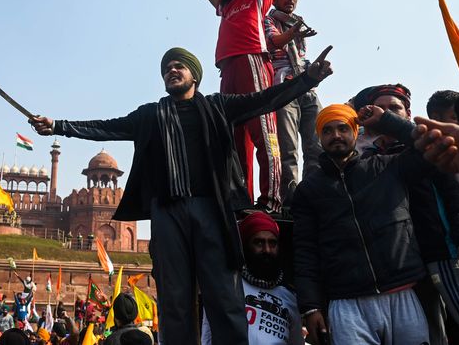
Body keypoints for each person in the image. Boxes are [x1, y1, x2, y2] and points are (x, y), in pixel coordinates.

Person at [29, 46, 333, 344]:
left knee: (223, 294)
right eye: (166, 69)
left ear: (194, 76)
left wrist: (307, 80)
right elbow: (106, 128)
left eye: (179, 66)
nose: (171, 71)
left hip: (211, 209)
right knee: (174, 298)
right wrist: (58, 126)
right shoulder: (150, 115)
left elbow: (265, 100)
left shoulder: (218, 106)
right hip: (168, 211)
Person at [292, 104, 433, 345]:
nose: (336, 135)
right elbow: (305, 250)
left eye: (342, 128)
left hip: (403, 292)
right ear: (319, 138)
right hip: (347, 303)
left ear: (355, 132)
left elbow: (429, 146)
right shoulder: (308, 190)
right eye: (327, 131)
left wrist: (387, 121)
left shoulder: (388, 167)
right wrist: (311, 307)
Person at [188, 0, 282, 211]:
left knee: (261, 132)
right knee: (234, 139)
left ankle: (271, 201)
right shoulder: (226, 6)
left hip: (253, 63)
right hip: (226, 70)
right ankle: (242, 203)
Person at [362, 84, 459, 345]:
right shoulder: (367, 161)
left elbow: (454, 195)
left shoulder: (427, 149)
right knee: (431, 335)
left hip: (443, 253)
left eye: (394, 108)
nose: (386, 113)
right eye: (381, 108)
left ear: (407, 113)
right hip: (403, 268)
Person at [202, 211, 304, 344]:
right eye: (259, 243)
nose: (267, 250)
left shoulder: (290, 298)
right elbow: (208, 335)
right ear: (245, 246)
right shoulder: (227, 287)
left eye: (272, 243)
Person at [263, 0, 321, 203]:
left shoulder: (298, 22)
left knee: (316, 146)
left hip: (306, 85)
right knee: (287, 150)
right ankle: (291, 202)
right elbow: (275, 41)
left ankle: (316, 196)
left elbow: (301, 56)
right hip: (284, 87)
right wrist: (293, 33)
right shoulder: (268, 20)